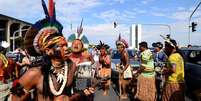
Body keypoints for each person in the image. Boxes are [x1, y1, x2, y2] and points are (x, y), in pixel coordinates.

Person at [10, 0, 94, 100]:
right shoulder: (35, 73)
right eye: (61, 46)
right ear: (48, 51)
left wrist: (76, 95)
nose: (67, 49)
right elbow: (14, 97)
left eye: (66, 45)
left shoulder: (72, 66)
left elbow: (82, 90)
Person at [115, 35, 132, 99]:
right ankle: (124, 93)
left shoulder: (125, 53)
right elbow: (122, 61)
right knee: (122, 82)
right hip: (124, 68)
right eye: (117, 47)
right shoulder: (121, 53)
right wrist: (119, 64)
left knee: (124, 83)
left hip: (126, 68)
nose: (118, 49)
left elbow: (127, 63)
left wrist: (123, 70)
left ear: (123, 47)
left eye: (119, 48)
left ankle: (125, 94)